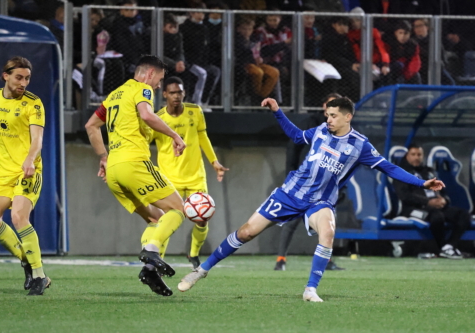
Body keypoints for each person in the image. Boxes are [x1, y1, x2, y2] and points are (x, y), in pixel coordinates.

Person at [177, 97, 445, 302]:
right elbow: (295, 136)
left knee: (327, 231)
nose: (328, 119)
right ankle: (202, 270)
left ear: (348, 116)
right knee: (246, 232)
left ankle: (310, 290)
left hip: (320, 201)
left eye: (333, 116)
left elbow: (389, 168)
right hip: (290, 193)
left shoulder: (360, 145)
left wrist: (422, 182)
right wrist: (277, 112)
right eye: (327, 115)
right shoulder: (319, 131)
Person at [84, 55, 186, 297]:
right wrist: (176, 136)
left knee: (156, 218)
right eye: (160, 79)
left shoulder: (114, 95)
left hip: (114, 170)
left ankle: (150, 269)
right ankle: (151, 251)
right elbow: (147, 115)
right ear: (150, 74)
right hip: (134, 163)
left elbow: (91, 125)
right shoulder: (143, 89)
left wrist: (103, 157)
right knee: (180, 209)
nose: (159, 85)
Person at [0, 56, 50, 296]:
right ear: (5, 76)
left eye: (27, 78)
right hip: (2, 172)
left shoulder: (33, 103)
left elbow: (37, 138)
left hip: (27, 171)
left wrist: (29, 159)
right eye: (19, 77)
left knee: (19, 216)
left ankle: (39, 276)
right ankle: (26, 258)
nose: (23, 83)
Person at [152, 76, 229, 268]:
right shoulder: (158, 118)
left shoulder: (195, 111)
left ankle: (193, 254)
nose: (176, 96)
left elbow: (202, 136)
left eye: (179, 92)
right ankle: (157, 260)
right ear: (165, 95)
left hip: (195, 176)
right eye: (172, 93)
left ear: (184, 93)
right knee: (166, 220)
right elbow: (145, 143)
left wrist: (214, 162)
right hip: (169, 177)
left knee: (202, 219)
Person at [274, 93, 344, 271]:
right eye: (330, 104)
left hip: (325, 184)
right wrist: (291, 175)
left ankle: (327, 261)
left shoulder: (342, 128)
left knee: (326, 223)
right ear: (323, 106)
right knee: (291, 220)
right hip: (303, 181)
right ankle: (281, 260)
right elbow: (294, 146)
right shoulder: (312, 123)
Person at [393, 144, 470, 259]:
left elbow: (442, 190)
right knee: (436, 216)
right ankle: (441, 247)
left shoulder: (428, 172)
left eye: (419, 154)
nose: (416, 157)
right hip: (413, 209)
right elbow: (405, 196)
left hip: (435, 206)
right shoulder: (401, 173)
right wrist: (427, 202)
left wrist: (444, 200)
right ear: (407, 156)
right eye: (413, 154)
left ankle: (448, 247)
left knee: (463, 215)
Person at [235, 17, 280, 100]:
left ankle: (262, 95)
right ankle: (256, 96)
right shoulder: (236, 40)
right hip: (245, 64)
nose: (247, 32)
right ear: (238, 29)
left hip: (257, 63)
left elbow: (260, 51)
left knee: (274, 72)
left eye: (249, 29)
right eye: (244, 29)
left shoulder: (254, 39)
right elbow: (241, 55)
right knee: (257, 73)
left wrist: (260, 58)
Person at [322, 17, 360, 102]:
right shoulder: (329, 38)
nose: (346, 27)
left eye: (346, 25)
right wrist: (350, 65)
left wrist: (354, 63)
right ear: (335, 25)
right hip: (334, 66)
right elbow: (332, 57)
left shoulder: (345, 38)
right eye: (342, 24)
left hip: (346, 65)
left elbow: (351, 54)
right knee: (354, 77)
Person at [385, 20, 421, 84]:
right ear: (396, 33)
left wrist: (408, 74)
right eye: (400, 33)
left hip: (406, 71)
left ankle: (417, 93)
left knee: (416, 76)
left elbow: (415, 61)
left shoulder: (413, 45)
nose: (403, 36)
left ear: (410, 34)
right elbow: (386, 58)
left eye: (406, 33)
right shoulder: (389, 43)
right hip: (392, 69)